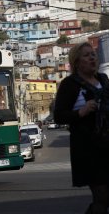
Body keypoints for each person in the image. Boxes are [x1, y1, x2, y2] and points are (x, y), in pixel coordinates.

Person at [54, 42, 109, 214]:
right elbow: (59, 116)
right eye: (86, 55)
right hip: (88, 149)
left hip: (107, 145)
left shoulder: (103, 80)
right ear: (77, 62)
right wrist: (81, 112)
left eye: (93, 54)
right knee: (102, 196)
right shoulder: (69, 84)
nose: (92, 58)